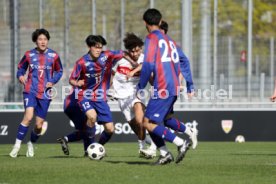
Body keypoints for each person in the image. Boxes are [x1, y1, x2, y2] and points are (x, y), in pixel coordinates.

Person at [137, 8, 196, 165]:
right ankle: (164, 154)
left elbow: (148, 63)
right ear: (160, 21)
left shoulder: (151, 38)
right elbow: (184, 60)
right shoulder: (170, 40)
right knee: (154, 122)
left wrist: (140, 86)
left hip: (163, 86)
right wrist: (189, 84)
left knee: (147, 123)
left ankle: (180, 143)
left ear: (145, 23)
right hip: (174, 86)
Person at [67, 35, 126, 155]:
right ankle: (88, 148)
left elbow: (124, 53)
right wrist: (77, 82)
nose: (98, 49)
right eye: (96, 47)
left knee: (110, 129)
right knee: (92, 117)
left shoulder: (107, 55)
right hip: (84, 95)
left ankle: (95, 148)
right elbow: (71, 79)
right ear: (89, 47)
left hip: (100, 97)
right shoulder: (81, 62)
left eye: (100, 47)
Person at [9, 28, 63, 158]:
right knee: (28, 117)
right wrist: (20, 76)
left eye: (45, 39)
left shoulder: (54, 56)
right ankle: (16, 146)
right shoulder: (29, 55)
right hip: (30, 91)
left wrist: (52, 81)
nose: (43, 42)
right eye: (40, 39)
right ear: (35, 41)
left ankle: (31, 143)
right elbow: (20, 69)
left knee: (39, 125)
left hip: (45, 93)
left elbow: (59, 71)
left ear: (48, 40)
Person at [111, 32, 157, 158]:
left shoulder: (144, 58)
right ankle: (151, 143)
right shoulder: (120, 60)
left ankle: (142, 148)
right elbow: (111, 74)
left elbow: (145, 67)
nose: (135, 54)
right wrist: (109, 89)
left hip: (137, 93)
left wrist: (134, 71)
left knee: (140, 120)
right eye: (132, 51)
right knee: (136, 127)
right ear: (128, 51)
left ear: (141, 49)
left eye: (137, 50)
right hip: (121, 97)